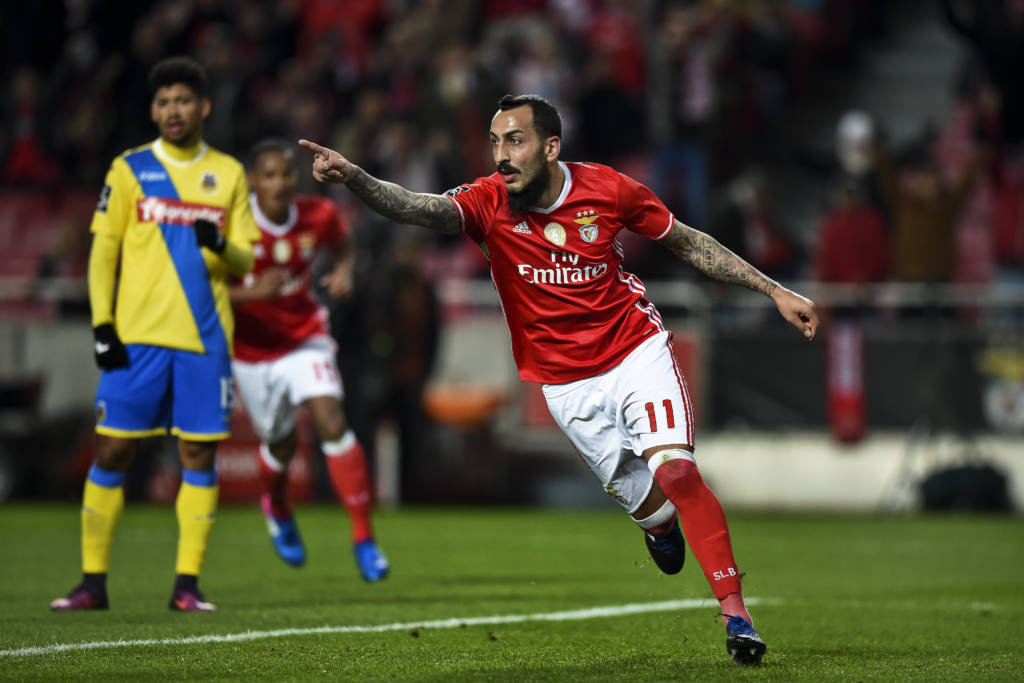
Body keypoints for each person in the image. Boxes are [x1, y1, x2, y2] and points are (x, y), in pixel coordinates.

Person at [298, 94, 818, 666]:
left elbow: (687, 241)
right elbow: (418, 208)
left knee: (677, 470)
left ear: (550, 147)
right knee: (654, 510)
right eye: (495, 142)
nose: (501, 155)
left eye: (514, 141)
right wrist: (355, 178)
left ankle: (736, 615)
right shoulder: (488, 201)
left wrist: (774, 290)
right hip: (565, 386)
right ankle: (660, 525)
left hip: (634, 353)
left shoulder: (609, 190)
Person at [50, 56, 260, 613]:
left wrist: (219, 244)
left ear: (204, 107)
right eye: (164, 102)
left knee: (197, 455)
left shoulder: (229, 174)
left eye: (183, 101)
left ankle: (186, 586)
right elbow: (102, 254)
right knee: (114, 449)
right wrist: (101, 326)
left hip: (204, 339)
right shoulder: (128, 170)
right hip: (136, 338)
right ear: (153, 109)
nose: (173, 111)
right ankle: (92, 583)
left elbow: (245, 257)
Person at [229, 138, 389, 581]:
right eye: (269, 175)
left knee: (333, 423)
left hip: (305, 336)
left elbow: (344, 245)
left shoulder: (318, 215)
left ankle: (364, 539)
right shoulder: (231, 227)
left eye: (286, 173)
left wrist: (344, 271)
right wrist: (249, 294)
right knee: (279, 442)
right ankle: (277, 505)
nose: (279, 182)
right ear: (252, 181)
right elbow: (203, 289)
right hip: (252, 351)